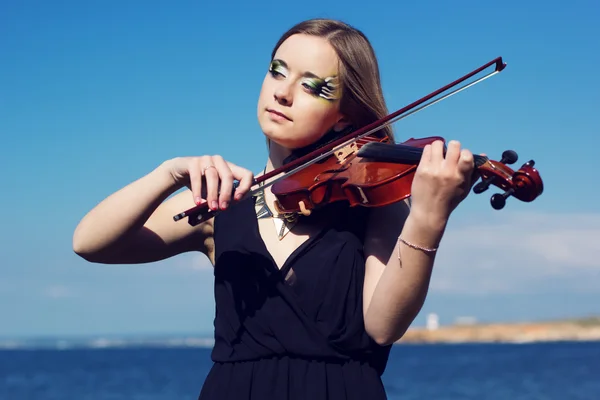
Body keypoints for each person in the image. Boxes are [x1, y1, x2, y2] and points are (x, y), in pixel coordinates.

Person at [73, 18, 475, 400]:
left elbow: (384, 326)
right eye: (277, 71)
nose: (282, 92)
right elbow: (89, 243)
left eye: (314, 87)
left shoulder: (373, 202)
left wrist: (428, 217)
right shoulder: (221, 204)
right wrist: (168, 174)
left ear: (344, 118)